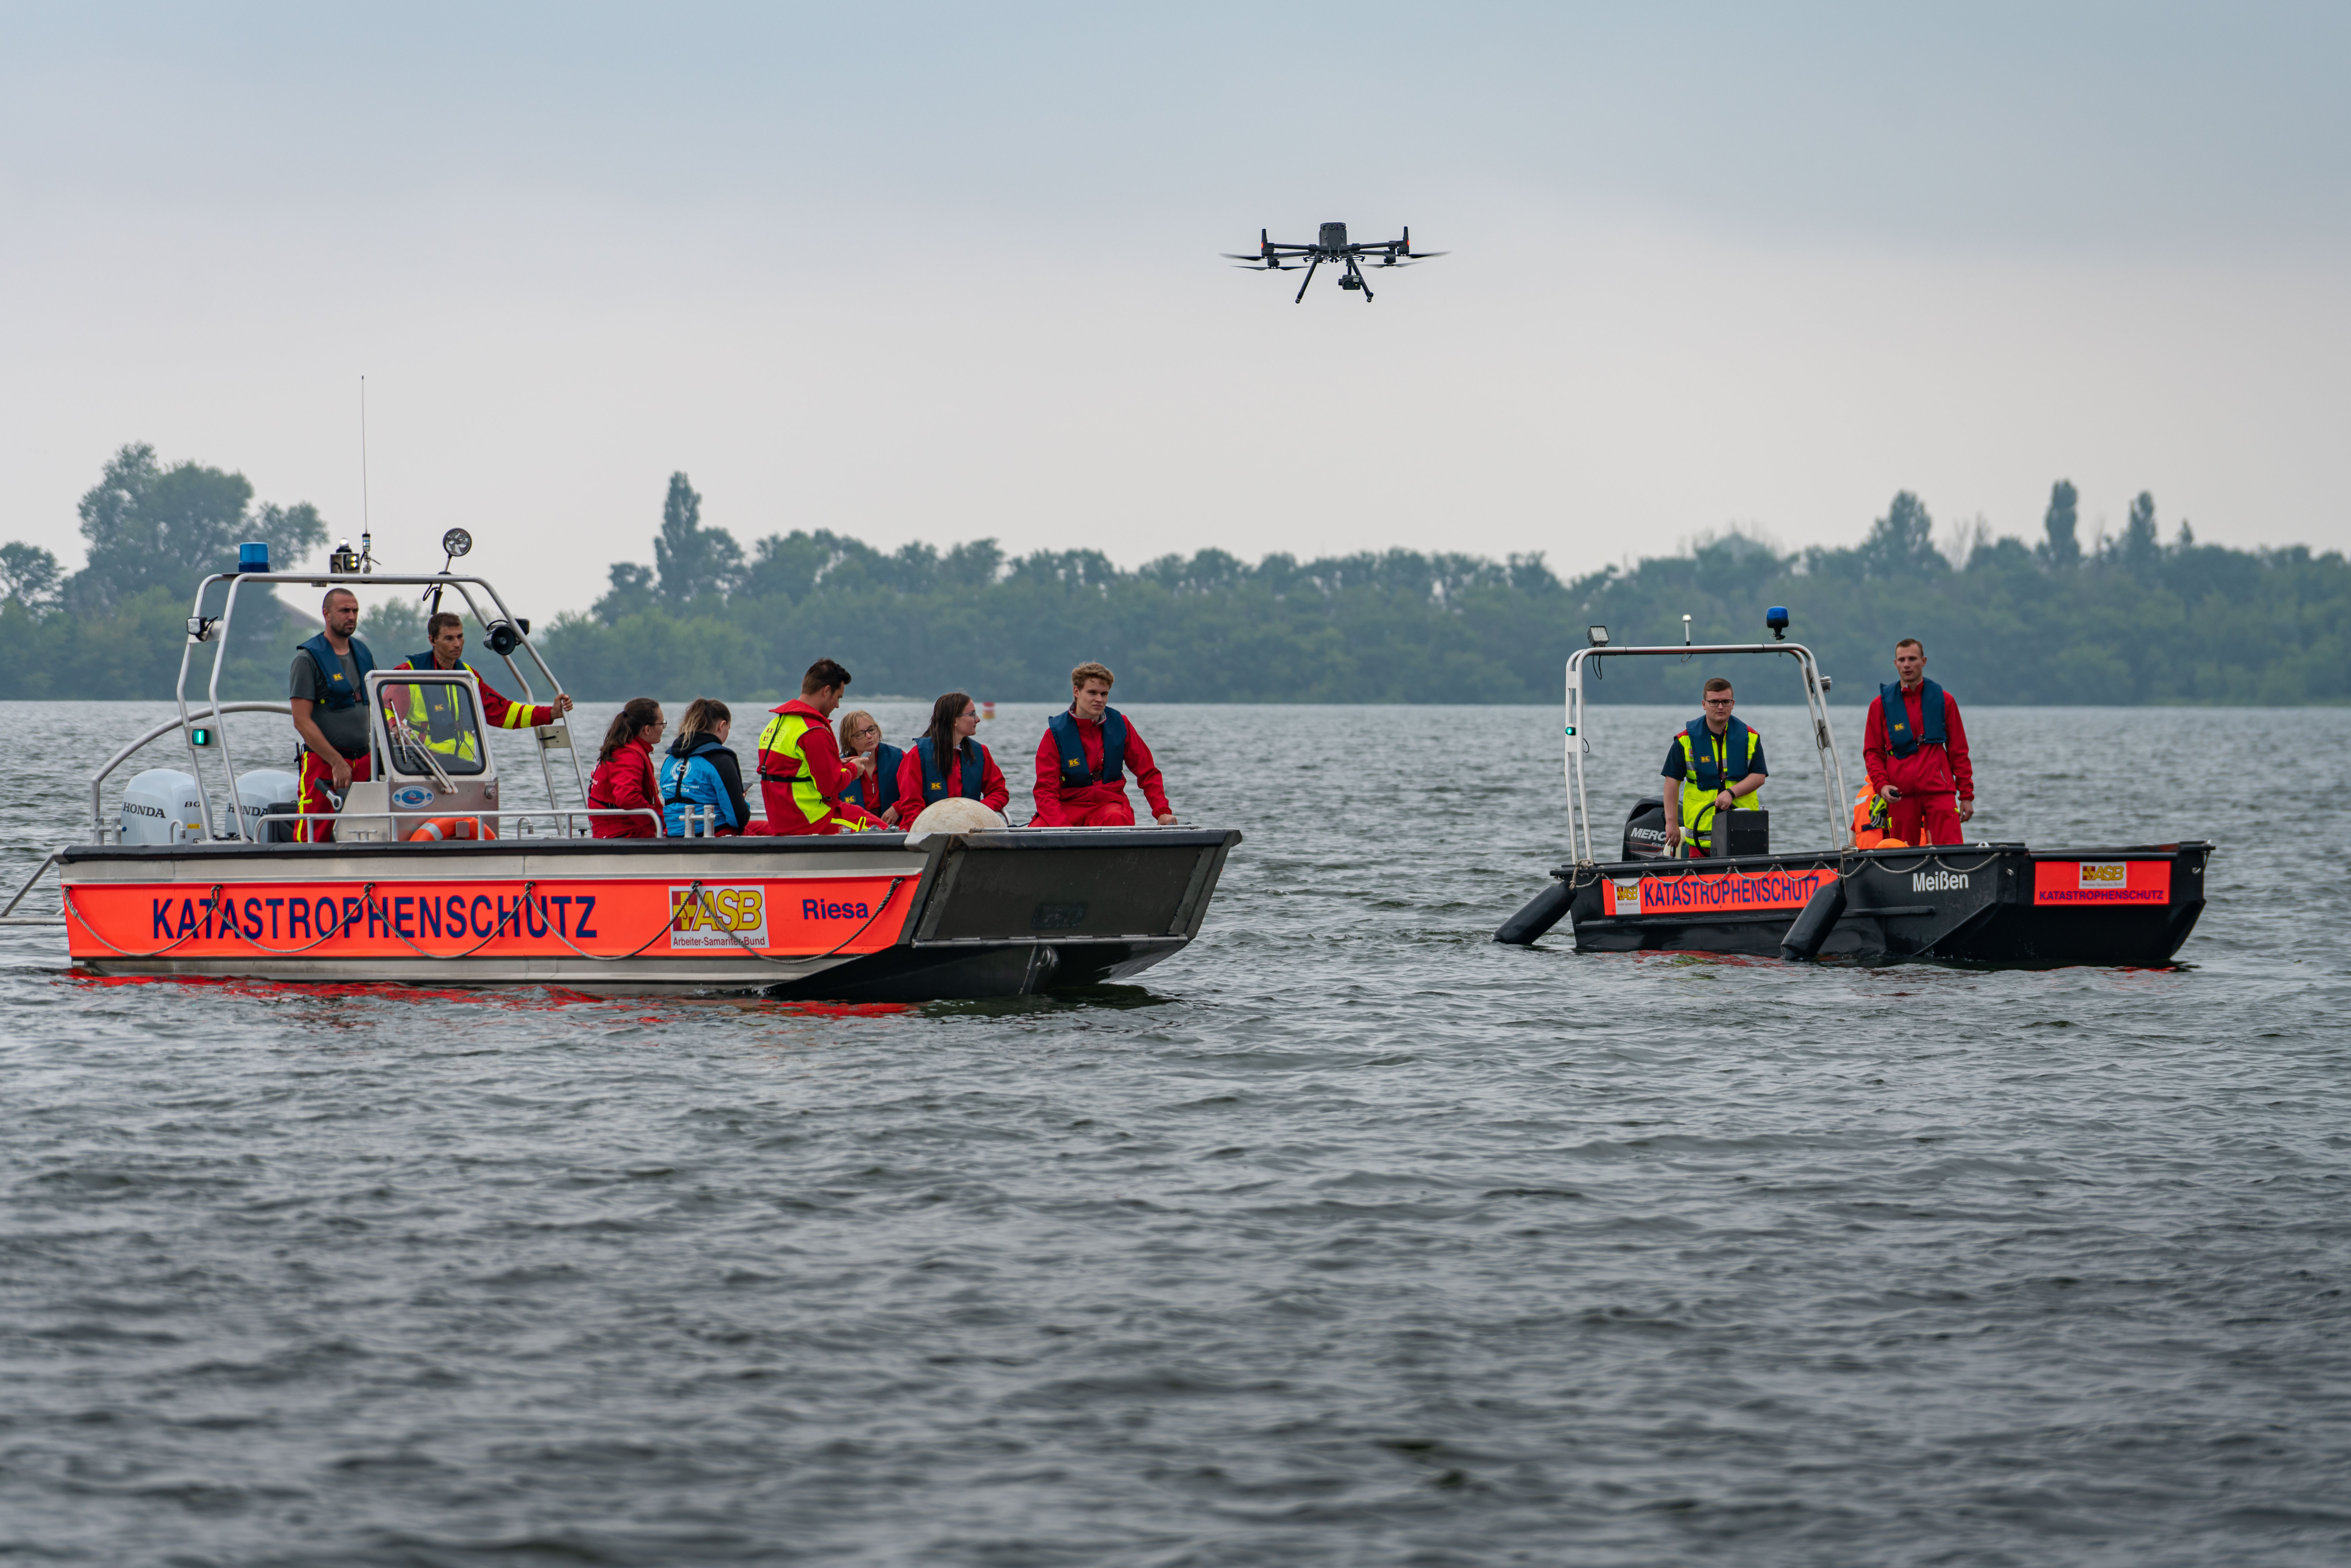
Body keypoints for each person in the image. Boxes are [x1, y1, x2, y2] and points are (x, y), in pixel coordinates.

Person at [391, 611, 574, 762]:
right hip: (424, 763)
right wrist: (397, 727)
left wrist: (551, 713)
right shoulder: (409, 673)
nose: (457, 644)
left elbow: (501, 711)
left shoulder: (469, 676)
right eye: (449, 639)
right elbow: (385, 710)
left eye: (460, 637)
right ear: (433, 641)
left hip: (468, 765)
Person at [1031, 662, 1177, 827]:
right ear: (1077, 692)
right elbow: (1045, 791)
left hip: (1109, 805)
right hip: (1069, 806)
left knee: (1116, 818)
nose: (1099, 700)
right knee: (1038, 828)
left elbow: (1148, 772)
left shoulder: (1122, 725)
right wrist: (1063, 829)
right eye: (1092, 693)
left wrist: (1162, 811)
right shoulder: (1055, 734)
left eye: (1104, 694)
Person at [754, 658, 888, 835]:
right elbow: (830, 787)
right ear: (827, 691)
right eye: (838, 697)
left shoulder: (775, 726)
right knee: (887, 831)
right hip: (813, 820)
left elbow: (794, 772)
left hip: (783, 821)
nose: (838, 705)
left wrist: (838, 765)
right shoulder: (814, 730)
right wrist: (852, 770)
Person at [1864, 637, 1975, 847]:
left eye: (1912, 659)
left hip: (1939, 792)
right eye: (1902, 659)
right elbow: (1872, 752)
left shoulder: (1945, 700)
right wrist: (1881, 785)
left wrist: (1966, 795)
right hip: (1900, 795)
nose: (1907, 664)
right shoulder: (1879, 705)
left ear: (1923, 661)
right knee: (1901, 857)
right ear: (1895, 663)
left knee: (1952, 851)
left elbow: (1958, 751)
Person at [289, 588, 376, 843]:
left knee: (367, 833)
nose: (352, 616)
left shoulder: (364, 654)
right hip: (324, 765)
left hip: (364, 762)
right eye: (345, 611)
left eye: (355, 611)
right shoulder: (307, 660)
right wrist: (336, 762)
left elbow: (380, 704)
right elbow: (301, 720)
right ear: (326, 614)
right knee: (313, 835)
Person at [1662, 676, 1766, 858]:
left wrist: (1731, 793)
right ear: (1704, 704)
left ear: (1733, 704)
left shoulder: (1751, 737)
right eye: (1714, 702)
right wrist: (1671, 823)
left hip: (1743, 830)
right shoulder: (1684, 741)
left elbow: (1759, 776)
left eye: (1726, 702)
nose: (1720, 707)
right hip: (1701, 832)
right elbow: (1672, 783)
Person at [899, 691, 1011, 818]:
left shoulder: (981, 753)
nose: (978, 719)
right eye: (972, 714)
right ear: (954, 721)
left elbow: (999, 792)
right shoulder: (917, 755)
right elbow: (911, 805)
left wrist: (978, 811)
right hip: (927, 829)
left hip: (971, 827)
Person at [660, 699, 751, 836]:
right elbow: (738, 820)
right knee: (768, 829)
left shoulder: (670, 759)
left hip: (675, 834)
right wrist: (741, 799)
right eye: (728, 729)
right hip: (714, 832)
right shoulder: (721, 759)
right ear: (722, 725)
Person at [587, 699, 665, 838]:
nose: (663, 729)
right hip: (625, 834)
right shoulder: (628, 754)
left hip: (623, 830)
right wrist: (660, 823)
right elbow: (628, 798)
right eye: (662, 724)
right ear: (647, 729)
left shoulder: (626, 749)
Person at [836, 709, 908, 827]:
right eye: (860, 734)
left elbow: (917, 792)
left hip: (898, 828)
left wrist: (897, 808)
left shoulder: (899, 758)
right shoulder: (841, 769)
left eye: (872, 729)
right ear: (849, 741)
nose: (869, 736)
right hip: (858, 832)